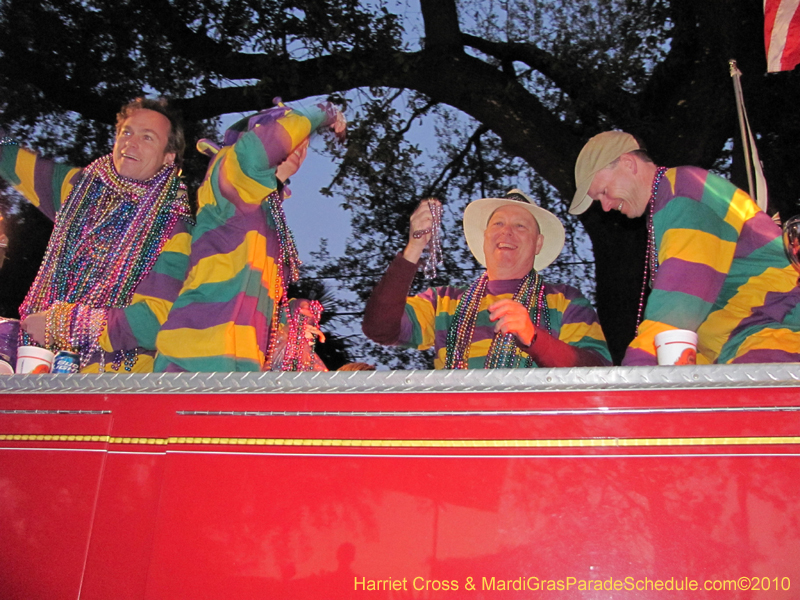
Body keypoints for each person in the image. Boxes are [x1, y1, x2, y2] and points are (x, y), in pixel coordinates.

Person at [570, 130, 800, 365]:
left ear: (628, 164)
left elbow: (680, 297)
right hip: (746, 343)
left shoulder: (685, 189)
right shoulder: (667, 204)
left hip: (778, 331)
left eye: (604, 192)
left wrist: (639, 368)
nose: (606, 207)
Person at [0, 98, 194, 372]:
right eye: (126, 132)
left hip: (114, 382)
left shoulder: (173, 228)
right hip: (44, 370)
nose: (131, 143)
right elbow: (11, 159)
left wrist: (65, 325)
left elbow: (158, 319)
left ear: (168, 157)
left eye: (147, 137)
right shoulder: (81, 191)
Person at [154, 100, 345, 371]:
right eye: (293, 133)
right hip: (195, 355)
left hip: (239, 367)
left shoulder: (269, 214)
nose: (299, 146)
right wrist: (322, 112)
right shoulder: (231, 170)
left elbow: (253, 298)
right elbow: (257, 153)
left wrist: (291, 319)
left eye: (304, 145)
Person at [362, 190, 612, 369]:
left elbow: (597, 370)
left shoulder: (566, 301)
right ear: (485, 238)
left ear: (538, 243)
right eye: (498, 223)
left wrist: (533, 337)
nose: (506, 232)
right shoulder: (443, 302)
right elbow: (379, 328)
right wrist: (414, 248)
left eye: (520, 226)